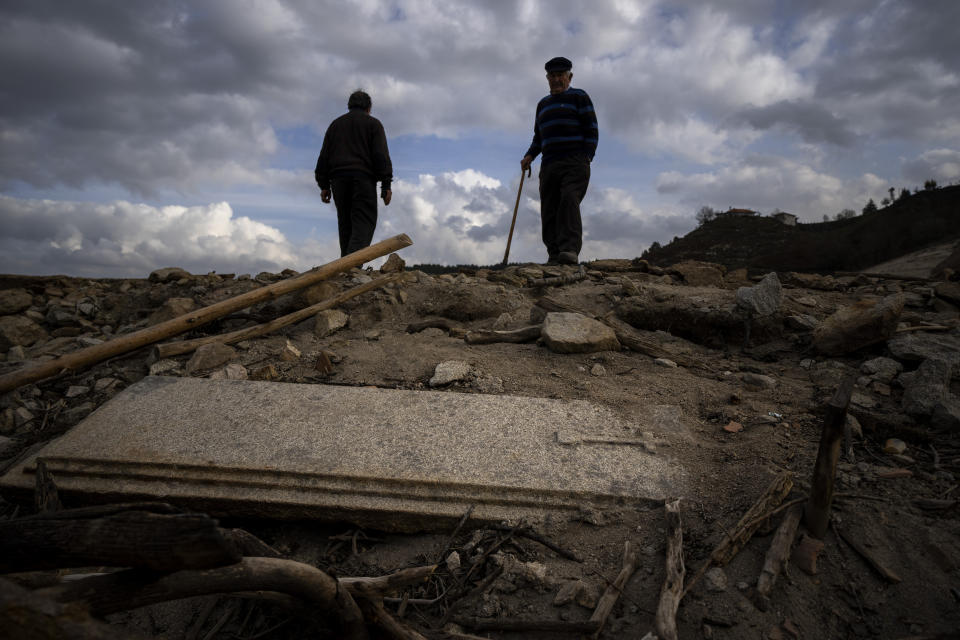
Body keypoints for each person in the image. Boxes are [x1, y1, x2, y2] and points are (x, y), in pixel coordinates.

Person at [521, 57, 598, 265]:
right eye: (552, 76)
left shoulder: (579, 97)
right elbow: (539, 137)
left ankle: (569, 250)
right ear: (547, 78)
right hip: (549, 164)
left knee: (568, 200)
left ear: (569, 77)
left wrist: (587, 156)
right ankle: (554, 254)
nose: (556, 79)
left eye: (560, 75)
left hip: (575, 161)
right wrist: (529, 155)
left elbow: (591, 129)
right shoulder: (543, 105)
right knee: (549, 207)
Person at [315, 90, 393, 257]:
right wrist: (386, 184)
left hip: (338, 182)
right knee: (363, 222)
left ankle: (346, 267)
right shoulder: (373, 124)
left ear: (349, 106)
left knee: (345, 224)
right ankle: (351, 268)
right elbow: (381, 156)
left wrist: (324, 185)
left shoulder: (335, 125)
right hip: (362, 180)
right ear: (369, 108)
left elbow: (324, 157)